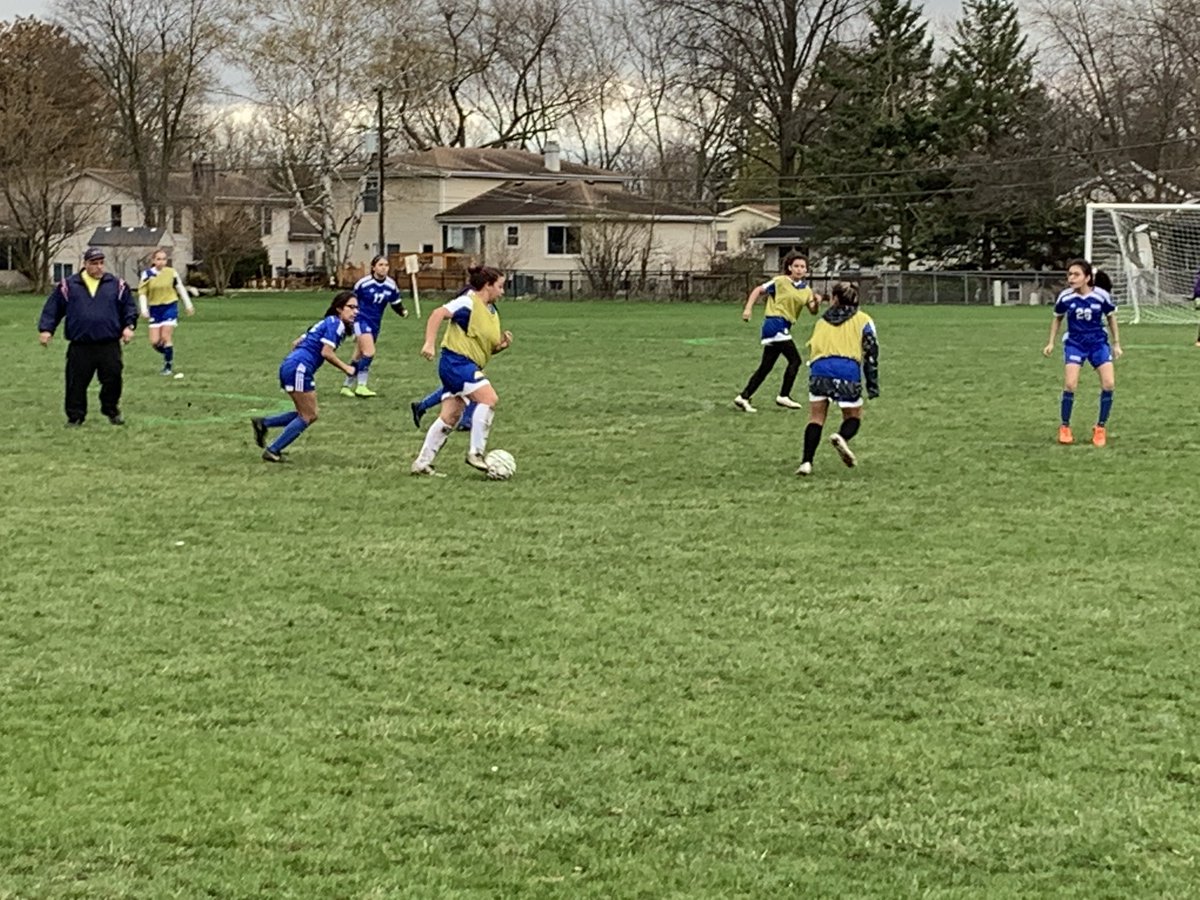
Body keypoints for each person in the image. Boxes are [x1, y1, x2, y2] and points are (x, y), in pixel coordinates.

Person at [410, 265, 512, 476]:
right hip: (455, 363)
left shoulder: (491, 311)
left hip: (466, 364)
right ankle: (476, 453)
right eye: (500, 287)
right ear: (487, 286)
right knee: (489, 399)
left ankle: (422, 463)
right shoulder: (468, 302)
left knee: (450, 416)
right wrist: (429, 343)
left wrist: (499, 347)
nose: (502, 292)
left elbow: (482, 348)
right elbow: (438, 313)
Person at [251, 291, 359, 462]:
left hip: (292, 365)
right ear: (339, 308)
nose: (355, 311)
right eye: (351, 307)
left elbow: (296, 343)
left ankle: (264, 423)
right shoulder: (335, 324)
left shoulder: (325, 322)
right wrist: (347, 368)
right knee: (308, 415)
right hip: (299, 368)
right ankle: (272, 450)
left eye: (356, 308)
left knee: (308, 413)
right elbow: (326, 353)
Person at [37, 246, 138, 426]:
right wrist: (46, 329)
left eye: (101, 263)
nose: (99, 267)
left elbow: (128, 307)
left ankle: (110, 409)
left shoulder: (117, 285)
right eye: (94, 263)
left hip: (108, 343)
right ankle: (75, 416)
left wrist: (129, 326)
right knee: (76, 383)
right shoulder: (68, 286)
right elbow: (53, 308)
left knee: (113, 379)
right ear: (85, 264)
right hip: (80, 344)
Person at [794, 281, 878, 476]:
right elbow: (872, 350)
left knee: (816, 417)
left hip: (820, 368)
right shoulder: (864, 319)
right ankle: (841, 437)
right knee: (853, 416)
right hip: (847, 369)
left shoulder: (822, 320)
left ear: (834, 299)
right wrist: (872, 384)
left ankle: (806, 462)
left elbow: (814, 346)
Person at [1042, 259, 1122, 447]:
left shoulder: (1101, 296)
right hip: (1075, 344)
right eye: (1069, 274)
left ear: (1087, 278)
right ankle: (1065, 427)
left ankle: (1100, 427)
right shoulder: (1066, 297)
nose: (1071, 278)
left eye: (1076, 274)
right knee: (1070, 385)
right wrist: (1051, 342)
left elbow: (1111, 318)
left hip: (1098, 343)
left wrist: (1116, 343)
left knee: (1109, 384)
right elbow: (1057, 318)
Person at [733, 251, 821, 413]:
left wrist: (816, 302)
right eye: (796, 266)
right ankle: (783, 395)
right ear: (789, 267)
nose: (799, 269)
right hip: (774, 323)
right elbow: (757, 290)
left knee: (766, 367)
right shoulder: (780, 281)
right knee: (795, 360)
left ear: (806, 270)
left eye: (802, 267)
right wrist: (748, 309)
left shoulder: (806, 290)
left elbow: (813, 311)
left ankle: (744, 396)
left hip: (785, 325)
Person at [340, 255, 406, 398]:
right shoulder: (363, 284)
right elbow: (351, 301)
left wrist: (402, 311)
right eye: (381, 265)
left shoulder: (391, 284)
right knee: (369, 352)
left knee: (358, 355)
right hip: (361, 320)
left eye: (386, 265)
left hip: (375, 323)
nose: (384, 268)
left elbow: (395, 303)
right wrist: (349, 323)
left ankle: (346, 386)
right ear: (373, 267)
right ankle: (361, 386)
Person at [137, 247, 194, 376]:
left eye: (164, 259)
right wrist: (144, 309)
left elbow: (180, 288)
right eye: (158, 259)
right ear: (153, 260)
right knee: (155, 341)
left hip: (170, 306)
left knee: (165, 336)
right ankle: (169, 352)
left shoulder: (171, 273)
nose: (161, 262)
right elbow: (142, 293)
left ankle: (168, 366)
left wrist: (188, 305)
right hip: (155, 309)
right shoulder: (147, 274)